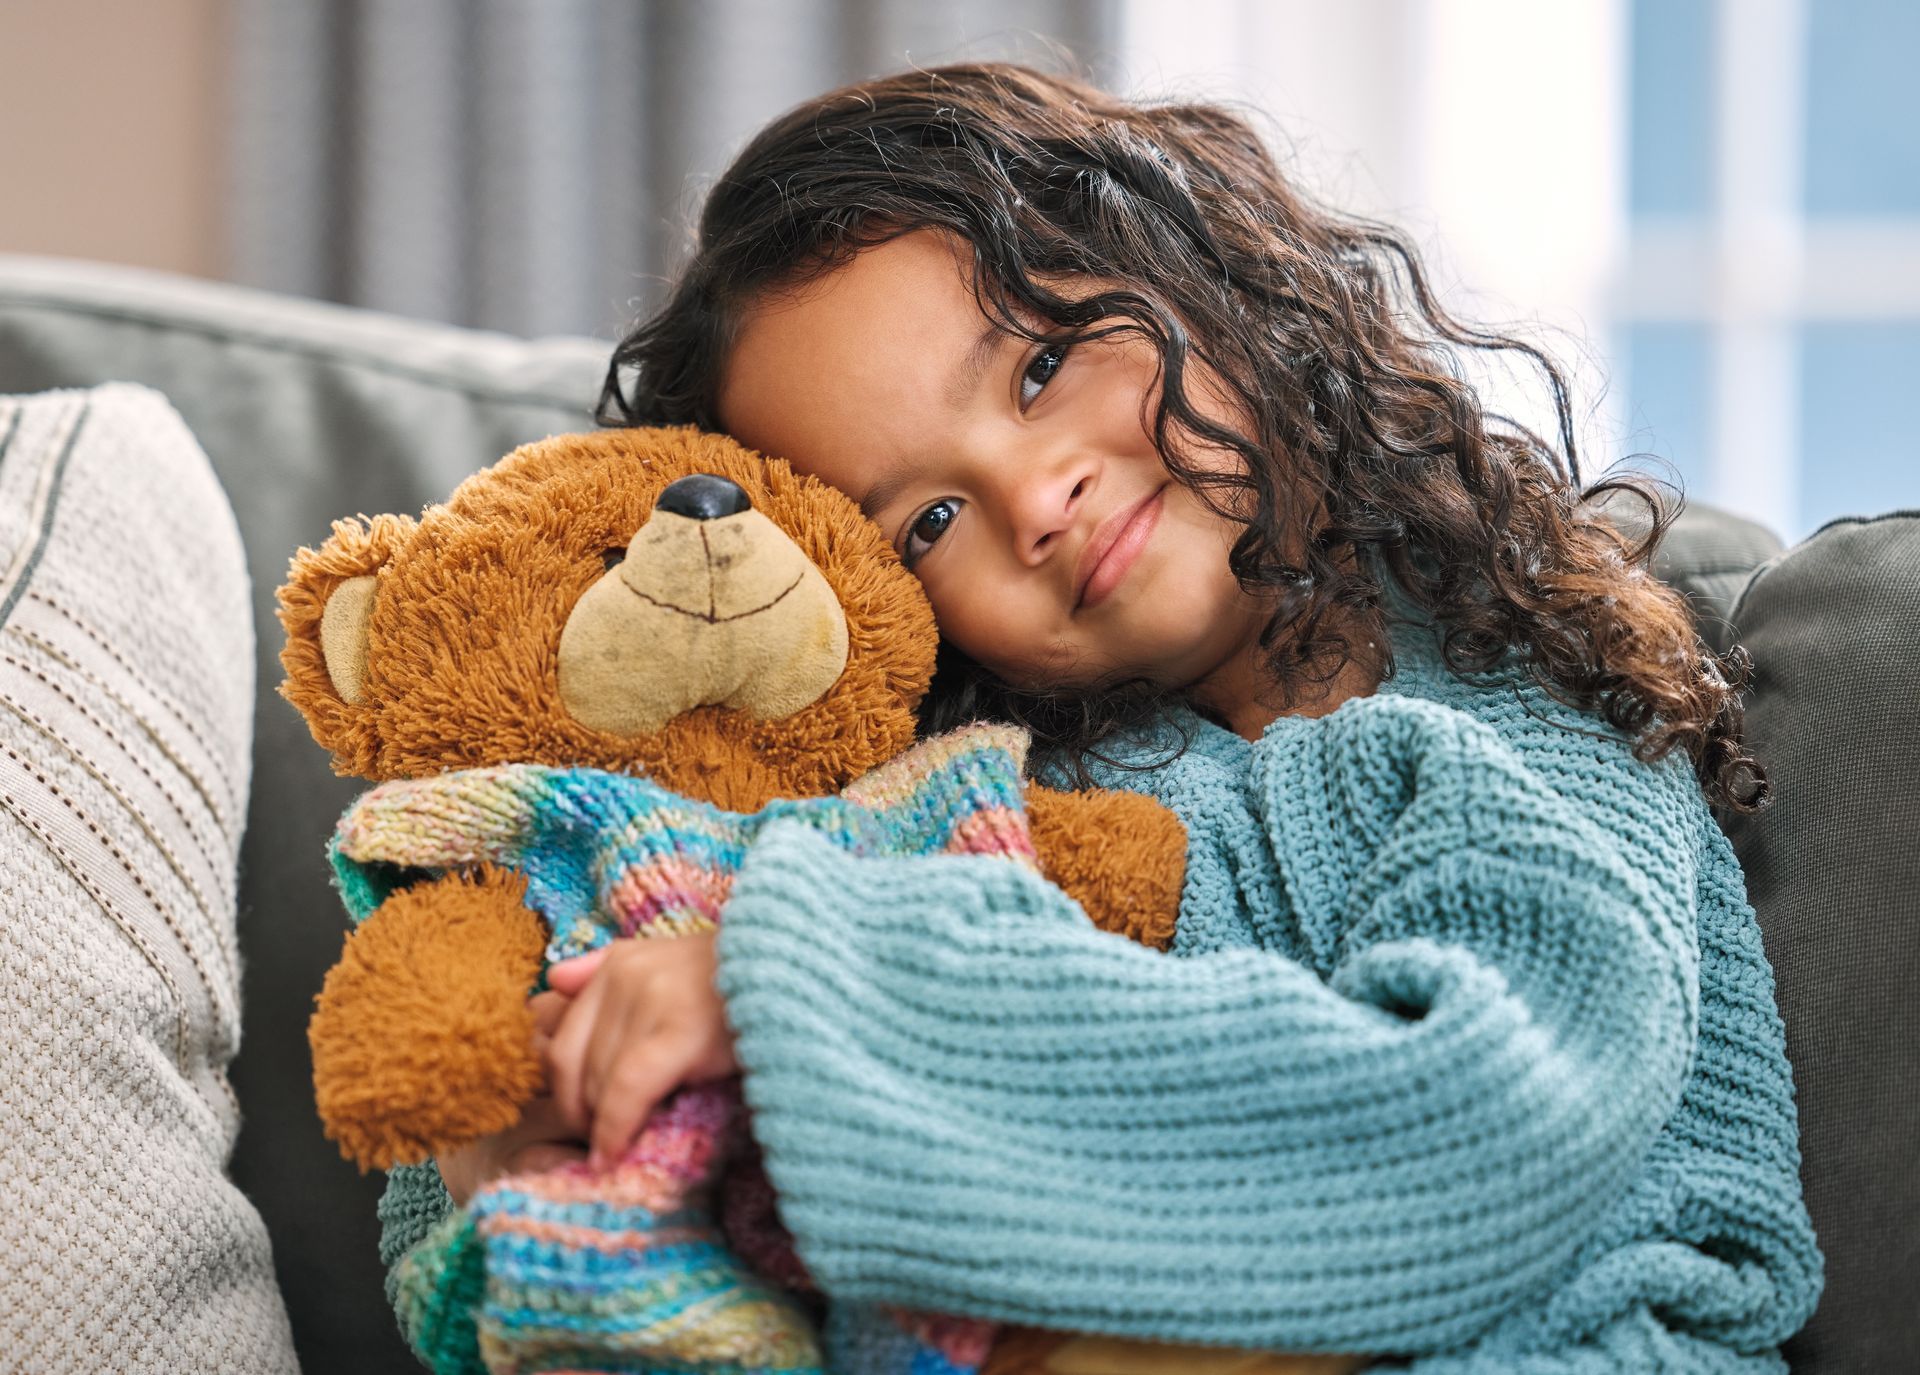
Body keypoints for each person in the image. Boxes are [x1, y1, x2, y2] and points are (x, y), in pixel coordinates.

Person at [409, 62, 1822, 1370]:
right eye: (931, 521)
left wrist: (798, 997)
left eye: (1037, 369)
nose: (1035, 501)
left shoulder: (1530, 699)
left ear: (1193, 267)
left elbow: (1487, 1138)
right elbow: (600, 972)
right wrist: (527, 1118)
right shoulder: (976, 798)